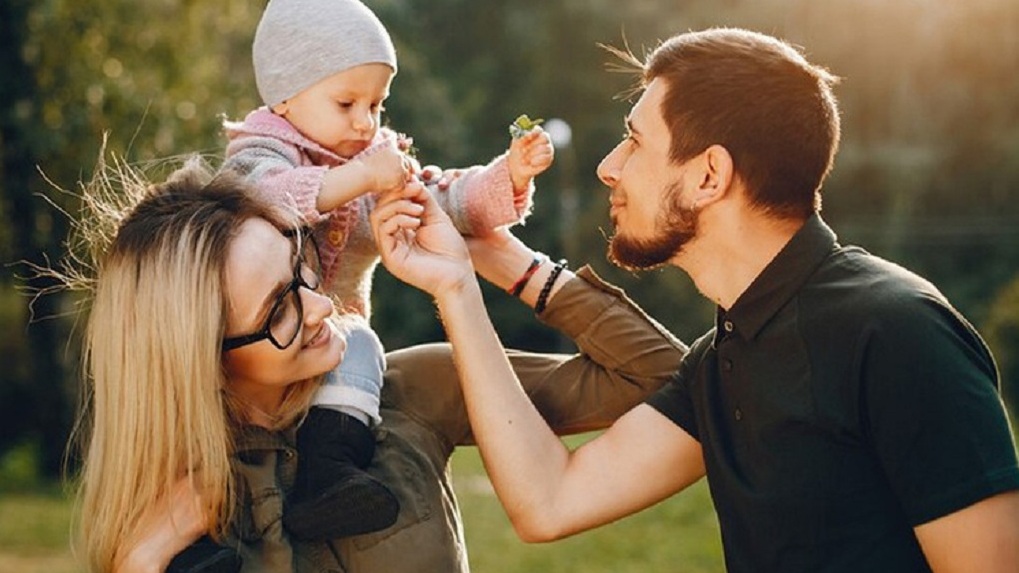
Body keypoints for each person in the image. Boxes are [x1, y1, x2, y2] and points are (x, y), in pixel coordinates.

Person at [372, 27, 1019, 573]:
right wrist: (459, 280)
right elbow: (547, 501)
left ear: (708, 174)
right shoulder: (723, 357)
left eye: (634, 141)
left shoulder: (896, 331)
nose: (608, 165)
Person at [62, 157, 685, 573]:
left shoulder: (408, 392)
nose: (318, 306)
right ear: (200, 355)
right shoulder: (169, 516)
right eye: (278, 308)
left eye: (300, 267)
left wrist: (493, 269)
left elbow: (660, 380)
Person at [217, 0, 555, 548]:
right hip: (248, 359)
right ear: (283, 96)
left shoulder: (370, 160)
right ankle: (201, 546)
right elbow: (261, 196)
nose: (365, 121)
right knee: (220, 460)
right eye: (346, 101)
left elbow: (440, 201)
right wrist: (359, 176)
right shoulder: (260, 152)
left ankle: (333, 474)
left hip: (326, 353)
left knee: (360, 343)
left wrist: (505, 177)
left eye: (377, 103)